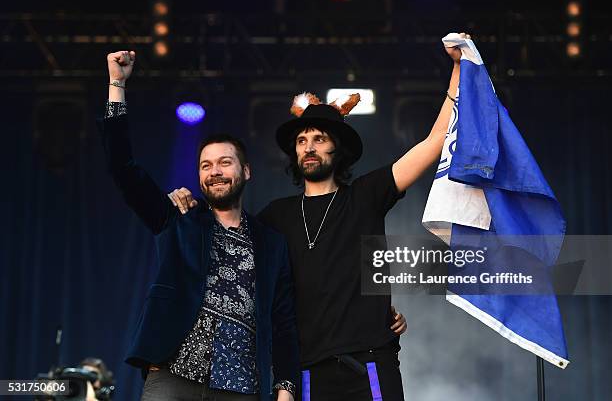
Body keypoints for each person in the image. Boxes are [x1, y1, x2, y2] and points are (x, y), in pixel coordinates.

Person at [170, 33, 468, 400]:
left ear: (336, 149)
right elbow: (224, 234)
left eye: (320, 138)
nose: (309, 146)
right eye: (301, 140)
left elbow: (435, 140)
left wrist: (459, 67)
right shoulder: (275, 216)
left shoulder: (365, 196)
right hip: (308, 370)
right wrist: (189, 206)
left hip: (371, 362)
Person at [98, 50, 298, 401]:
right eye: (206, 166)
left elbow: (283, 322)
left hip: (240, 384)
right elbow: (122, 169)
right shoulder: (180, 219)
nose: (215, 172)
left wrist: (285, 388)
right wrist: (117, 85)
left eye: (224, 162)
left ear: (246, 171)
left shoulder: (271, 242)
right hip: (173, 376)